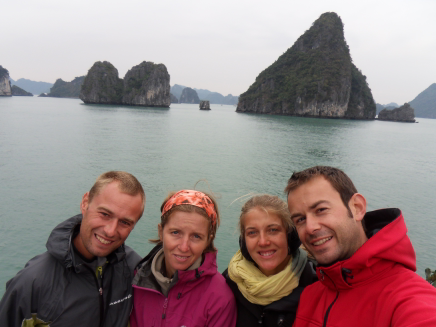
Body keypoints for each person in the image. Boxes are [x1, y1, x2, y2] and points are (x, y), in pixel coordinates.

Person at [285, 166, 436, 327]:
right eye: (300, 219)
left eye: (321, 210)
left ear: (357, 207)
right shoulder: (311, 295)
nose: (310, 227)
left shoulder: (410, 299)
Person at [0, 171, 145, 327]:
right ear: (85, 203)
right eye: (104, 214)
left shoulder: (134, 270)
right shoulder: (32, 283)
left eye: (125, 222)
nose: (110, 231)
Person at [130, 189, 237, 327]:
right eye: (176, 232)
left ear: (208, 241)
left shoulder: (220, 298)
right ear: (161, 232)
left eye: (196, 236)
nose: (184, 247)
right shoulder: (138, 280)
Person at [223, 195, 316, 327]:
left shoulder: (315, 287)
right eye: (252, 233)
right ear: (243, 242)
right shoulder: (229, 282)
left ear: (290, 236)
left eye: (273, 230)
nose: (263, 242)